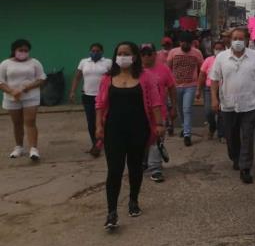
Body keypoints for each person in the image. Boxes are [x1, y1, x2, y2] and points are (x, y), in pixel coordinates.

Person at [95, 42, 164, 230]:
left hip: (138, 129)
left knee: (135, 168)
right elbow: (100, 104)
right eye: (119, 53)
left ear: (134, 56)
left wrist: (159, 124)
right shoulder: (107, 79)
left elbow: (155, 102)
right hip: (113, 130)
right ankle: (111, 212)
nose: (122, 56)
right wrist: (98, 126)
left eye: (126, 53)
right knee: (114, 170)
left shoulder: (146, 77)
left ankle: (133, 200)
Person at [210, 28, 255, 184]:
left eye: (241, 38)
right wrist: (214, 99)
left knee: (247, 136)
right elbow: (214, 80)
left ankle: (245, 167)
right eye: (235, 38)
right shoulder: (221, 57)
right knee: (231, 136)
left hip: (250, 104)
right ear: (230, 40)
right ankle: (235, 157)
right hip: (228, 105)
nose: (237, 41)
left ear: (247, 40)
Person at [1, 39, 46, 161]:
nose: (23, 52)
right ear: (14, 50)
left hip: (31, 97)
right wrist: (12, 91)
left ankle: (33, 149)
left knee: (30, 121)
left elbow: (41, 79)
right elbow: (1, 81)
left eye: (26, 50)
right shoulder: (5, 64)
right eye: (21, 50)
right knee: (17, 123)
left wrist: (26, 87)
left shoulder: (34, 62)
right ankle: (19, 147)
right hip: (12, 98)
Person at [140, 43, 177, 183]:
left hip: (159, 112)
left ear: (155, 54)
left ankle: (155, 169)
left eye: (149, 53)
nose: (146, 57)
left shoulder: (163, 69)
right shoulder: (134, 71)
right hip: (139, 112)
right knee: (142, 140)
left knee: (156, 139)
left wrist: (174, 107)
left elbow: (172, 88)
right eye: (143, 54)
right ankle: (144, 162)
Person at [69, 43, 112, 156]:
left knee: (105, 120)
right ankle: (95, 144)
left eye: (97, 51)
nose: (95, 53)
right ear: (89, 51)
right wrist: (73, 91)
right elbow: (77, 77)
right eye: (93, 50)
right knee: (91, 121)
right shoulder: (84, 62)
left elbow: (114, 77)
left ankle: (107, 142)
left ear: (102, 52)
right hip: (88, 95)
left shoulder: (108, 62)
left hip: (104, 96)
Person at [167, 31, 203, 146]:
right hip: (175, 86)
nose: (186, 46)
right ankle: (184, 127)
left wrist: (199, 87)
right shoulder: (173, 52)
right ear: (180, 42)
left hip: (190, 86)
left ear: (192, 43)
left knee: (187, 109)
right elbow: (168, 69)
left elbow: (201, 69)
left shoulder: (197, 53)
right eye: (184, 43)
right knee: (180, 109)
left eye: (188, 43)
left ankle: (187, 134)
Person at [197, 40, 227, 141]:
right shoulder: (208, 60)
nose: (218, 51)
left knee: (222, 112)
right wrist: (198, 89)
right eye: (216, 49)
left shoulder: (227, 60)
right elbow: (202, 75)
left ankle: (221, 134)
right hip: (209, 89)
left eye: (220, 49)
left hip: (223, 89)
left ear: (224, 49)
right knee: (209, 112)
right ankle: (212, 126)